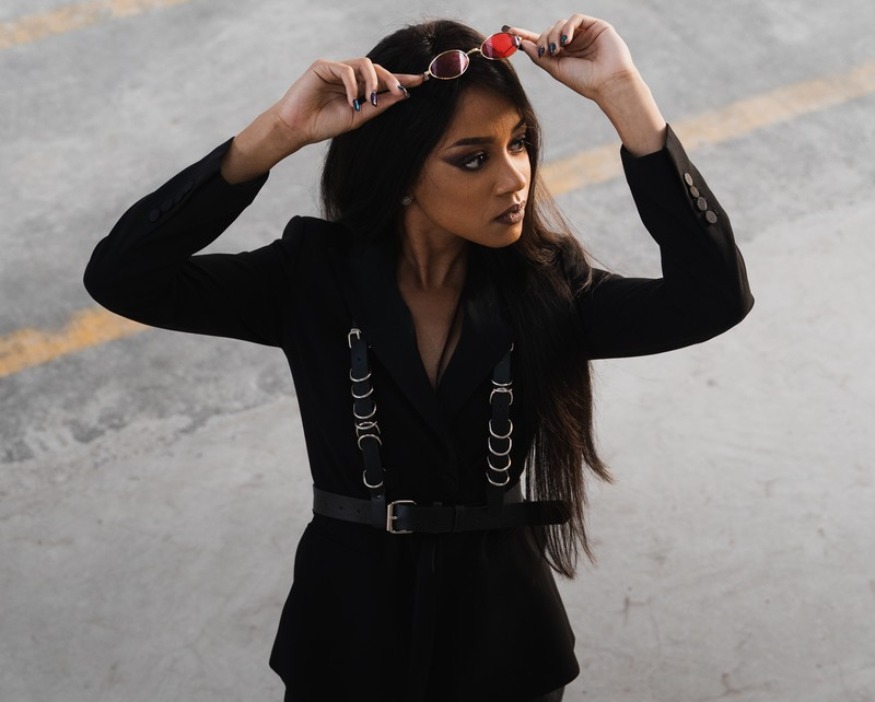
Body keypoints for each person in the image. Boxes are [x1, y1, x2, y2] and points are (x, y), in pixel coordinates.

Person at [84, 12, 753, 702]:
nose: (514, 179)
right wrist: (277, 133)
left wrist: (623, 94)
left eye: (519, 144)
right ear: (399, 173)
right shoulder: (310, 276)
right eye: (473, 158)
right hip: (347, 636)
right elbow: (122, 277)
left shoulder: (550, 287)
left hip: (504, 644)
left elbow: (712, 299)